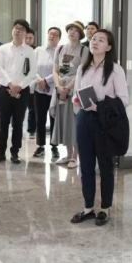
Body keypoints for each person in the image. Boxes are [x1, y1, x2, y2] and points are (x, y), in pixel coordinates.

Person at [70, 29, 129, 226]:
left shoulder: (115, 70)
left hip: (104, 122)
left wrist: (99, 107)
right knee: (86, 166)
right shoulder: (82, 68)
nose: (95, 42)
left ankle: (105, 208)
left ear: (109, 47)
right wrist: (77, 100)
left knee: (105, 166)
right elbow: (76, 94)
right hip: (84, 119)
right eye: (93, 39)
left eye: (101, 40)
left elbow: (123, 100)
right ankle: (88, 208)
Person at [0, 19, 38, 164]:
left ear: (25, 33)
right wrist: (10, 84)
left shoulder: (30, 51)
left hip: (22, 91)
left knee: (18, 122)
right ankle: (0, 152)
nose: (17, 30)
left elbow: (32, 72)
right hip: (4, 88)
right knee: (3, 122)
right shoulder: (3, 48)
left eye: (21, 29)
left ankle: (15, 152)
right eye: (16, 28)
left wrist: (20, 86)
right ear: (12, 30)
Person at [50, 21, 89, 169]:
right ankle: (68, 154)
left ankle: (75, 157)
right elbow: (55, 70)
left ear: (80, 34)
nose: (72, 32)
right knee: (63, 122)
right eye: (70, 29)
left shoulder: (84, 50)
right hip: (60, 88)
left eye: (76, 30)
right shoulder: (60, 48)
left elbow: (81, 72)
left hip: (74, 89)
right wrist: (59, 87)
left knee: (74, 122)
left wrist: (68, 88)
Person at [32, 27, 60, 158]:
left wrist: (46, 80)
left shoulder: (61, 51)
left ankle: (54, 146)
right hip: (39, 89)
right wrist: (39, 80)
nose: (52, 36)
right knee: (40, 118)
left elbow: (61, 71)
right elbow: (32, 68)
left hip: (54, 89)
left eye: (55, 35)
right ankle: (40, 145)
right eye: (50, 34)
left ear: (59, 38)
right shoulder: (38, 50)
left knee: (54, 117)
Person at [24, 28, 37, 139]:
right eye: (26, 38)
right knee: (18, 109)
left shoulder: (36, 51)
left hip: (32, 83)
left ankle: (31, 130)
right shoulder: (18, 50)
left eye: (30, 38)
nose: (28, 40)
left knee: (32, 108)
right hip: (19, 83)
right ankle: (17, 129)